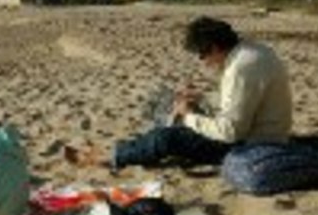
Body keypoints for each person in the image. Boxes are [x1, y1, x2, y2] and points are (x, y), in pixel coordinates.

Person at [112, 16, 293, 169]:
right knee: (175, 110)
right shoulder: (252, 51)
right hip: (261, 132)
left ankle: (119, 154)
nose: (203, 62)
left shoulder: (241, 68)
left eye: (202, 55)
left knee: (167, 138)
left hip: (254, 144)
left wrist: (188, 117)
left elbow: (231, 132)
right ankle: (136, 145)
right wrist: (201, 98)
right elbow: (238, 101)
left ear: (214, 48)